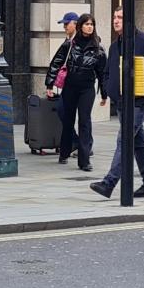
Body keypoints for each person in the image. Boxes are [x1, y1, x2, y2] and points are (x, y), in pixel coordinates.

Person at [91, 8, 144, 199]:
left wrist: (141, 88)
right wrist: (109, 89)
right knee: (139, 145)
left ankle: (109, 183)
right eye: (114, 17)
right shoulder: (115, 46)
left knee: (124, 139)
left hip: (140, 102)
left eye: (120, 18)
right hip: (122, 103)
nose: (116, 21)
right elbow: (108, 72)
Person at [46, 12, 105, 171]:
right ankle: (64, 152)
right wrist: (50, 85)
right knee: (68, 120)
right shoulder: (70, 44)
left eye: (92, 24)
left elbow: (102, 73)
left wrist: (105, 94)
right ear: (80, 26)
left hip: (87, 88)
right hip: (70, 87)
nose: (89, 27)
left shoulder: (98, 49)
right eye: (86, 24)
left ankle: (84, 160)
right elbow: (56, 63)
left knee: (85, 121)